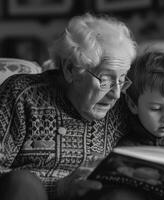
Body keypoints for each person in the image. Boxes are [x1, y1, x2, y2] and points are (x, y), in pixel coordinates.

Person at [0, 13, 136, 200]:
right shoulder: (23, 94)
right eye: (105, 80)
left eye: (122, 80)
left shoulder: (122, 109)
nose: (116, 93)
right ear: (70, 69)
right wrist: (60, 187)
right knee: (22, 182)